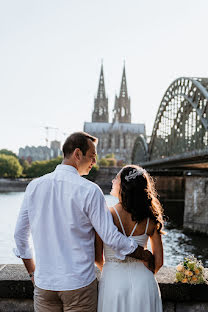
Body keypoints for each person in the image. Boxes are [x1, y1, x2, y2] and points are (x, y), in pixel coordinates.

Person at [14, 132, 154, 312]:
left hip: (45, 286)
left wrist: (32, 272)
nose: (94, 162)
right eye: (92, 156)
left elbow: (19, 236)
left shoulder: (34, 186)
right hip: (78, 286)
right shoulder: (90, 191)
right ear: (77, 154)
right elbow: (110, 237)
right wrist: (143, 254)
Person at [95, 165, 164, 312]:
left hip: (113, 282)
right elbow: (159, 262)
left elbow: (97, 257)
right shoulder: (150, 219)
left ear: (123, 186)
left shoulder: (106, 216)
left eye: (116, 179)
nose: (113, 181)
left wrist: (110, 268)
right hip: (144, 284)